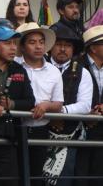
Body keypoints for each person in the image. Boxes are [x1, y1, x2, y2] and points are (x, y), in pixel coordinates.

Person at [0, 24, 36, 186]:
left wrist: (11, 104)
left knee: (7, 181)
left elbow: (30, 101)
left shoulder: (19, 69)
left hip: (8, 135)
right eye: (7, 43)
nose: (13, 48)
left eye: (15, 43)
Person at [14, 22, 64, 186]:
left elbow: (58, 103)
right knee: (13, 174)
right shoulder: (14, 66)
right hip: (13, 127)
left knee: (36, 176)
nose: (38, 46)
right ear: (22, 46)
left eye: (41, 42)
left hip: (40, 130)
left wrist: (46, 106)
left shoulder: (53, 71)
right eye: (32, 42)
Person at [45, 24, 91, 186]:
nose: (63, 49)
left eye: (68, 45)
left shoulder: (82, 72)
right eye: (59, 44)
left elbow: (85, 106)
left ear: (73, 49)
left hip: (67, 135)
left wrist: (60, 111)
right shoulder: (39, 64)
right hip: (38, 131)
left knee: (64, 179)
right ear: (51, 46)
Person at [75, 25, 103, 186]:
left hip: (101, 129)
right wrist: (88, 113)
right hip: (81, 128)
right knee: (81, 174)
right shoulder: (76, 65)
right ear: (92, 47)